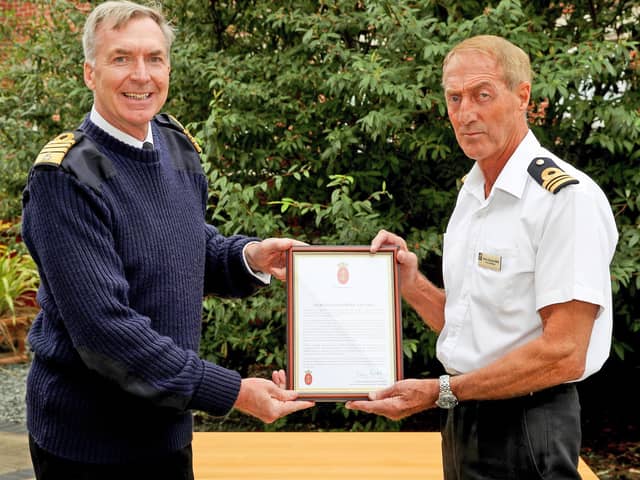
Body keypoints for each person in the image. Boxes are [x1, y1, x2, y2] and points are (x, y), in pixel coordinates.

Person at [21, 1, 313, 478]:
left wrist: (249, 257)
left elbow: (181, 243)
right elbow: (106, 332)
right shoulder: (66, 178)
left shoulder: (174, 145)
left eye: (154, 58)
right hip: (88, 446)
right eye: (122, 58)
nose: (142, 74)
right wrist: (232, 391)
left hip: (167, 433)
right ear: (90, 73)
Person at [346, 35, 618, 479]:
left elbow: (564, 352)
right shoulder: (474, 193)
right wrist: (411, 284)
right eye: (454, 98)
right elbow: (472, 330)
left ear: (522, 96)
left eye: (482, 94)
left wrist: (440, 392)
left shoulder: (565, 199)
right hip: (465, 417)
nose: (466, 113)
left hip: (528, 425)